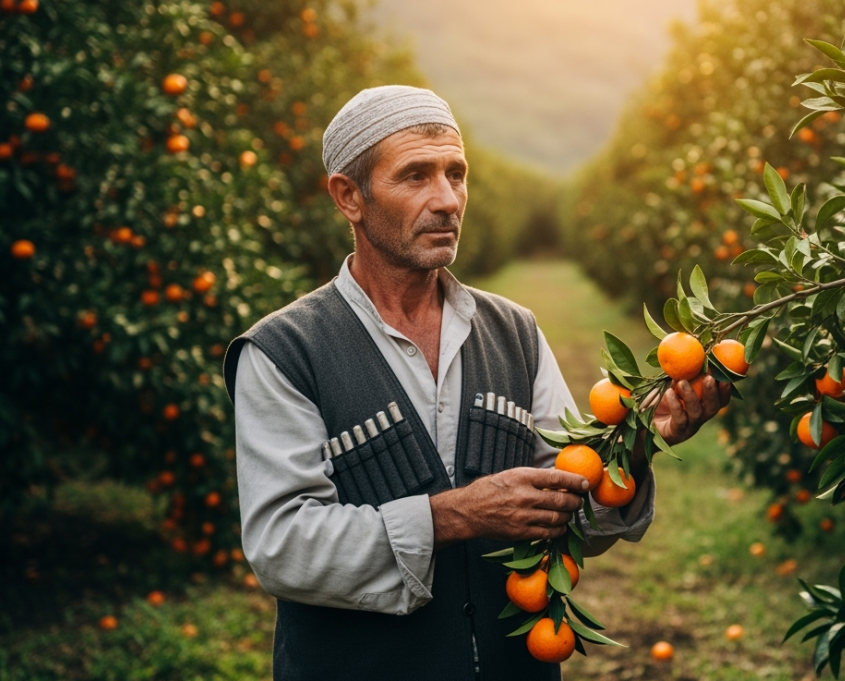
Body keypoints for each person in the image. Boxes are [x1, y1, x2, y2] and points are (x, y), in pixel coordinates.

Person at [223, 85, 729, 681]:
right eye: (415, 176)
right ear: (348, 197)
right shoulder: (285, 352)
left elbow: (572, 508)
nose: (446, 200)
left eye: (456, 174)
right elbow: (283, 546)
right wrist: (455, 514)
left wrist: (639, 442)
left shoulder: (514, 331)